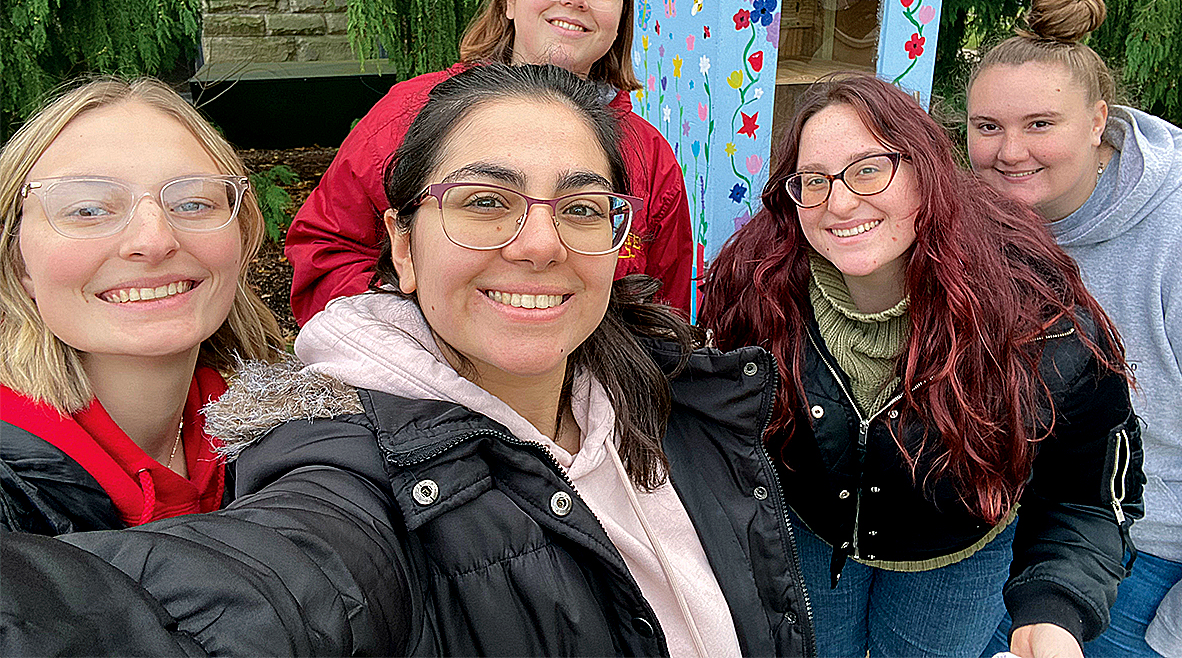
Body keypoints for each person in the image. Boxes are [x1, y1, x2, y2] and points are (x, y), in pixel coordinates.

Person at [0, 64, 811, 657]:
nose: (539, 241)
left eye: (582, 207)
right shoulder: (343, 455)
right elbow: (282, 582)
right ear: (400, 244)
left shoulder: (686, 399)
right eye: (483, 201)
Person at [700, 73, 1145, 658]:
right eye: (814, 181)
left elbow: (1087, 493)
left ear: (925, 172)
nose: (839, 202)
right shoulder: (757, 291)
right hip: (808, 531)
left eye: (868, 169)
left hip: (955, 552)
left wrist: (1053, 609)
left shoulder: (1031, 317)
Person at [285, 0, 692, 324]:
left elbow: (661, 316)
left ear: (620, 17)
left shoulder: (651, 159)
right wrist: (429, 341)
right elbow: (328, 252)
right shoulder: (409, 114)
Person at [968, 0, 1182, 658]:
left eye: (1040, 124)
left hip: (1148, 560)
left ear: (1099, 119)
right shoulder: (980, 223)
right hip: (1013, 533)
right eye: (988, 127)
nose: (1011, 152)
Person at [0, 77, 283, 534]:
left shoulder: (293, 439)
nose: (154, 242)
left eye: (193, 202)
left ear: (242, 239)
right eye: (88, 210)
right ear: (19, 261)